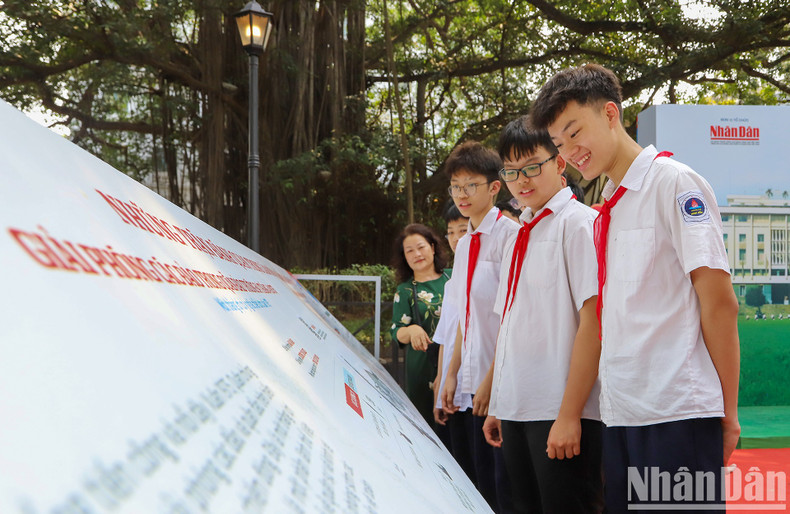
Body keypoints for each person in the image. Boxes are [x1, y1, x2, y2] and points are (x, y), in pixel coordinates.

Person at [530, 63, 740, 511]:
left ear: (610, 113)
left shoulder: (674, 183)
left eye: (574, 132)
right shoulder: (608, 203)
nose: (570, 151)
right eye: (559, 144)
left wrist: (727, 411)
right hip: (623, 414)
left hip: (677, 415)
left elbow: (719, 303)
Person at [483, 115, 604, 513]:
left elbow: (594, 321)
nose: (522, 179)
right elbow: (511, 324)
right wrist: (500, 402)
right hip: (518, 408)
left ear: (559, 164)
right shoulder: (521, 232)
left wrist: (569, 416)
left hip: (561, 412)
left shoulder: (579, 225)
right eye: (512, 170)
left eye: (532, 165)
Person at [441, 140, 519, 513]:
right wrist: (451, 375)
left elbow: (512, 318)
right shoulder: (465, 244)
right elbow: (464, 319)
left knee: (505, 488)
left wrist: (491, 383)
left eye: (471, 185)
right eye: (456, 186)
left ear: (494, 187)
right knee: (478, 486)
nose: (462, 194)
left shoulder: (511, 236)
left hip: (501, 386)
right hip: (471, 386)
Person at [432, 203, 476, 483]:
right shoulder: (450, 282)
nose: (457, 237)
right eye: (451, 231)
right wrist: (440, 380)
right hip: (450, 384)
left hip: (473, 385)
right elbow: (445, 338)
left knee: (476, 469)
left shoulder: (482, 271)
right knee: (457, 466)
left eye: (463, 229)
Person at [390, 224, 451, 429]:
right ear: (404, 257)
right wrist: (412, 330)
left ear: (432, 248)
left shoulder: (454, 277)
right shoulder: (405, 290)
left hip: (456, 364)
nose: (417, 254)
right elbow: (396, 331)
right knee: (428, 429)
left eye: (421, 247)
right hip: (423, 370)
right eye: (409, 251)